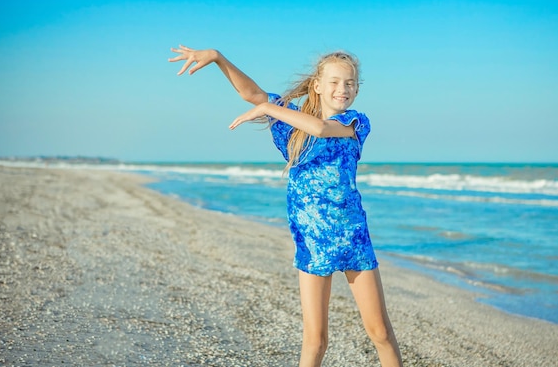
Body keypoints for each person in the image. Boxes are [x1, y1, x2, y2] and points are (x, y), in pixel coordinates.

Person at [169, 45, 403, 367]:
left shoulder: (355, 123)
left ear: (357, 89)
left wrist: (267, 108)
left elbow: (321, 129)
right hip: (310, 241)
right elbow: (251, 93)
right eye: (334, 82)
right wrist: (219, 59)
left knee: (380, 332)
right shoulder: (292, 127)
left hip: (353, 237)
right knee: (315, 340)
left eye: (349, 83)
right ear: (317, 85)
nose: (342, 89)